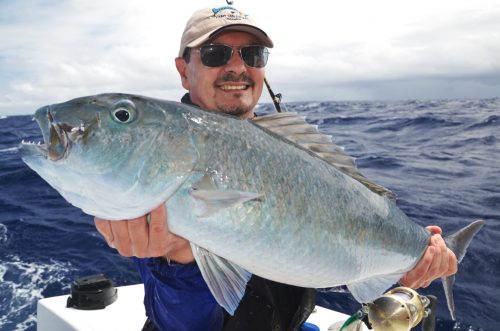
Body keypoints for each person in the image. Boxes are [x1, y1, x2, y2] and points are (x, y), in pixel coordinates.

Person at [94, 5, 458, 331]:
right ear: (183, 70)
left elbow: (334, 251)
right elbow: (183, 324)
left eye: (252, 54)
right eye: (215, 53)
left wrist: (418, 256)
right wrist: (178, 263)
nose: (236, 66)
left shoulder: (295, 151)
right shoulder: (163, 152)